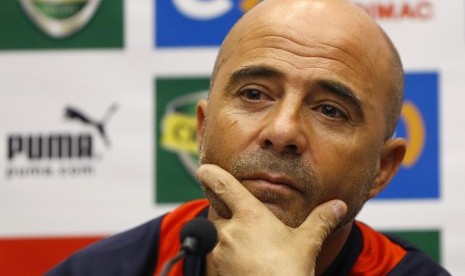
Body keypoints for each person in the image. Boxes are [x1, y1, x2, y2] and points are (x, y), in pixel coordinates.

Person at [47, 0, 450, 275]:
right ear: (202, 129)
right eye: (254, 94)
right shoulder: (103, 270)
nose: (282, 131)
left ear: (381, 168)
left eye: (330, 110)